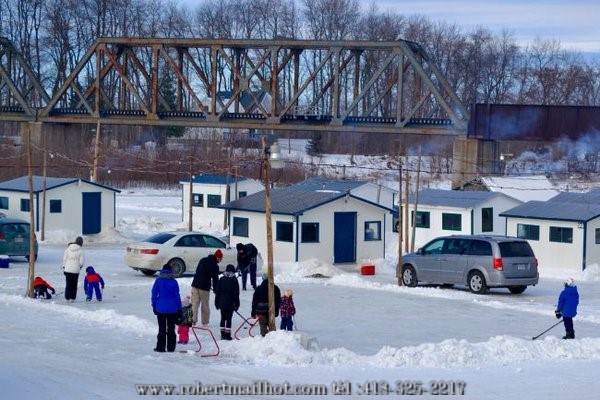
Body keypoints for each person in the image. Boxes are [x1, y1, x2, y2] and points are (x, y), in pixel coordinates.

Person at [151, 265, 182, 352]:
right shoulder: (174, 282)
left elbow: (154, 294)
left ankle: (160, 347)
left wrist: (154, 305)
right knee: (171, 329)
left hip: (160, 308)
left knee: (162, 328)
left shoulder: (158, 281)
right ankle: (171, 347)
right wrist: (179, 308)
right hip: (172, 309)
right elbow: (177, 296)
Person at [191, 249, 222, 326]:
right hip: (204, 287)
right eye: (221, 259)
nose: (221, 260)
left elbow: (198, 271)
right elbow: (215, 279)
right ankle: (205, 322)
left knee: (194, 303)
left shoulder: (203, 260)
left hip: (195, 284)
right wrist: (216, 290)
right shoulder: (215, 266)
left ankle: (192, 321)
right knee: (205, 305)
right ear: (218, 258)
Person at [214, 264, 240, 340]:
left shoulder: (221, 279)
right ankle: (227, 335)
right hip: (230, 303)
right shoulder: (234, 280)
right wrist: (237, 304)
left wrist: (217, 303)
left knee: (222, 318)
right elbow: (236, 294)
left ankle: (222, 334)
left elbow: (217, 292)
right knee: (228, 319)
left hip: (222, 302)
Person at [251, 273, 281, 337]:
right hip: (271, 310)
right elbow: (278, 301)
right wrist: (276, 311)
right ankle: (272, 337)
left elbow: (255, 301)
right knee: (271, 325)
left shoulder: (258, 288)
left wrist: (253, 311)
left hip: (260, 310)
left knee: (262, 325)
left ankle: (264, 337)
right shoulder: (275, 288)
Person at [63, 236, 84, 302]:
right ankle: (72, 297)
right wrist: (80, 266)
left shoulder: (68, 249)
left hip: (67, 269)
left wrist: (64, 266)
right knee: (74, 284)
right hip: (75, 270)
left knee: (68, 283)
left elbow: (64, 259)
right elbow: (81, 262)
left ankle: (67, 297)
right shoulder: (81, 251)